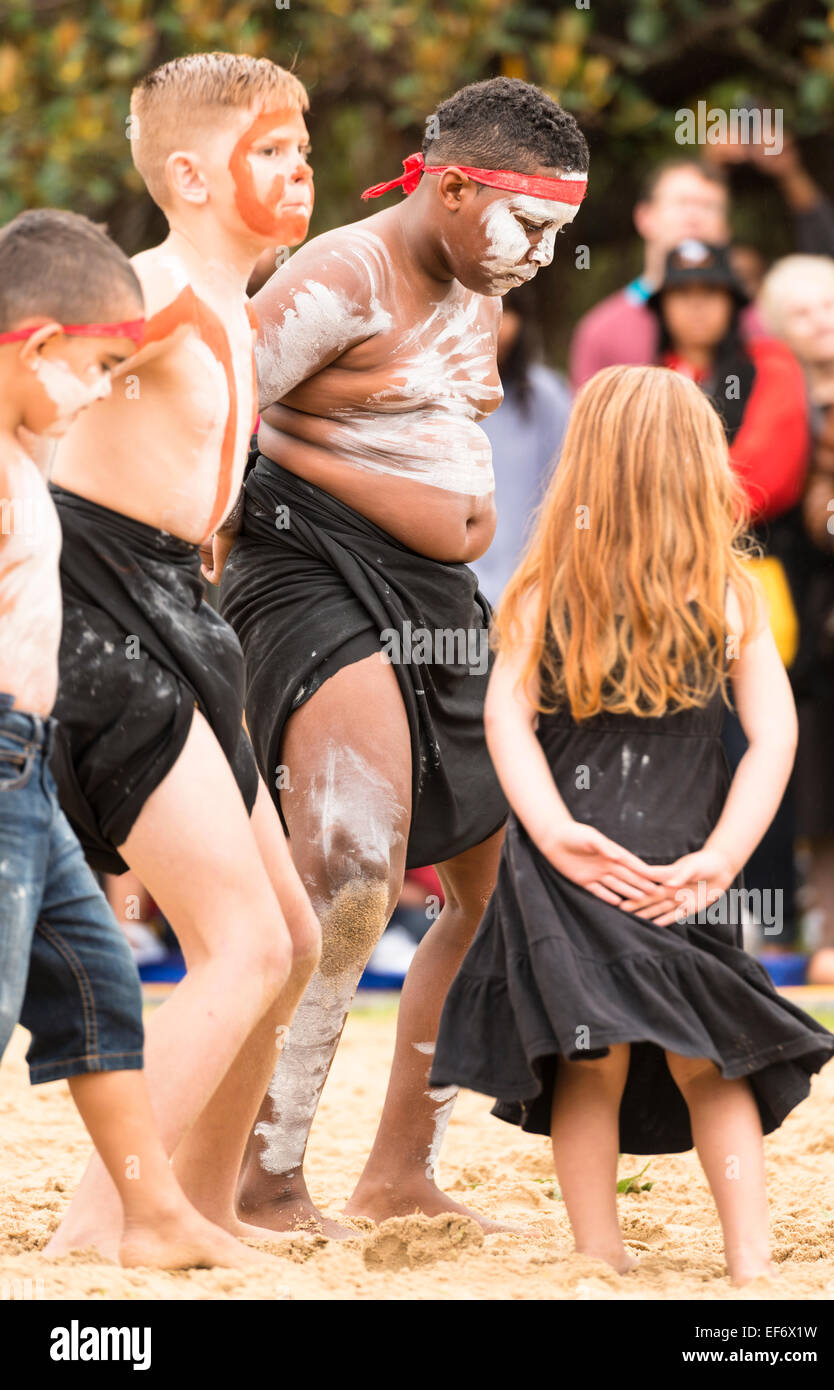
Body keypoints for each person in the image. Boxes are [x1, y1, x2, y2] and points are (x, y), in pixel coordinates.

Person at [217, 76, 590, 1234]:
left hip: (437, 592)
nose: (540, 255)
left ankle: (398, 1168)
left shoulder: (478, 273)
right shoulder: (340, 274)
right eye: (530, 226)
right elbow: (211, 421)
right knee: (353, 873)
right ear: (455, 186)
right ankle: (267, 1176)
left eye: (558, 236)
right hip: (305, 572)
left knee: (495, 890)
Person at [430, 364, 834, 1285]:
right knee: (712, 1063)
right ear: (701, 468)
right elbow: (774, 737)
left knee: (590, 1066)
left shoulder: (541, 590)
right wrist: (722, 857)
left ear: (585, 469)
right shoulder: (730, 594)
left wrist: (551, 833)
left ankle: (598, 1257)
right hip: (679, 866)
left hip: (572, 868)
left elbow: (504, 720)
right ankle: (750, 1262)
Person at [44, 52, 322, 1259]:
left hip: (178, 608)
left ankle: (194, 1213)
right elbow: (27, 373)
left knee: (297, 944)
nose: (300, 166)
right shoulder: (150, 292)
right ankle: (103, 1227)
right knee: (243, 940)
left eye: (305, 146)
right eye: (273, 149)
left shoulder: (238, 312)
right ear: (194, 174)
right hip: (98, 606)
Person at [0, 207, 272, 1270]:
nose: (102, 389)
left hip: (24, 757)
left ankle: (151, 1215)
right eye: (99, 367)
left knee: (102, 992)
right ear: (34, 348)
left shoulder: (26, 444)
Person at [648, 238, 810, 951]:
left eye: (709, 293)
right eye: (682, 294)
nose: (695, 305)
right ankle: (685, 915)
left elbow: (770, 473)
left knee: (759, 739)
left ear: (732, 304)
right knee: (684, 743)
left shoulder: (769, 366)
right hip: (658, 590)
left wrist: (673, 503)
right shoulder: (657, 375)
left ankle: (770, 935)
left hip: (756, 581)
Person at [760, 255, 834, 984]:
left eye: (829, 301)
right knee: (826, 779)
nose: (822, 318)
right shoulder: (773, 391)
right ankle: (827, 934)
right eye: (800, 310)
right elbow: (814, 487)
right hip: (816, 617)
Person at [570, 136, 834, 389]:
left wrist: (789, 173)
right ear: (645, 217)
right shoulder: (600, 331)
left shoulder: (761, 323)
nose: (694, 217)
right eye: (682, 203)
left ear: (725, 229)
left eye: (709, 207)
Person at [472, 282, 572, 607]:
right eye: (480, 305)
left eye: (508, 309)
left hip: (530, 595)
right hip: (450, 598)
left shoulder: (548, 398)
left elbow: (565, 496)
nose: (495, 319)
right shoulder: (429, 397)